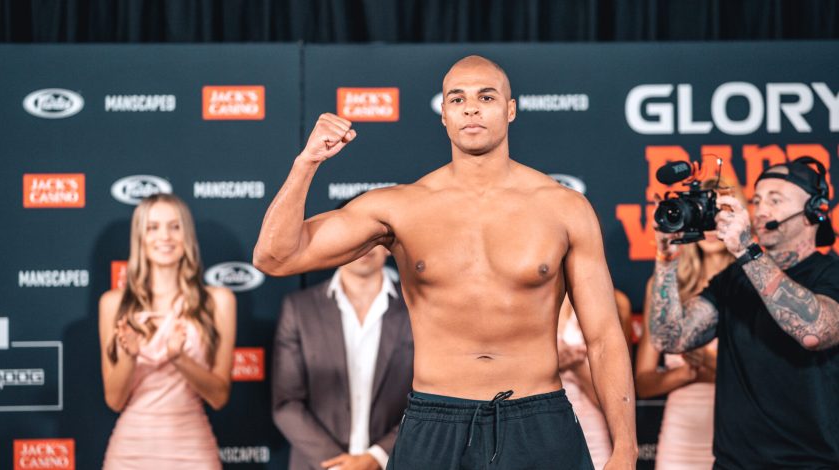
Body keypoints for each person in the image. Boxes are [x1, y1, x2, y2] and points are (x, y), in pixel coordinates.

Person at [253, 55, 636, 469]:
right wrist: (305, 163)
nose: (471, 107)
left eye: (485, 96)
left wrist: (626, 448)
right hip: (436, 421)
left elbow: (603, 337)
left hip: (538, 417)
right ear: (444, 115)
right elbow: (275, 256)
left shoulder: (565, 208)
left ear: (510, 109)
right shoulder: (402, 207)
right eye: (457, 99)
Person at [648, 157, 839, 468]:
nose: (761, 211)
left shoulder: (831, 273)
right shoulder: (735, 278)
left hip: (810, 463)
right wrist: (666, 258)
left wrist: (746, 249)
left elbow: (814, 331)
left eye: (775, 200)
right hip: (732, 463)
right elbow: (671, 338)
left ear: (813, 212)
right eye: (758, 200)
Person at [99, 194, 236, 470]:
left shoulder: (219, 300)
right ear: (140, 238)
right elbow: (114, 401)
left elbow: (219, 397)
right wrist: (129, 355)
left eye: (175, 226)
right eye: (153, 227)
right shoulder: (113, 303)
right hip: (130, 452)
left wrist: (180, 359)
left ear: (187, 235)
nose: (166, 236)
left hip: (192, 450)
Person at [272, 244, 413, 470]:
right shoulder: (299, 309)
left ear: (388, 245)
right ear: (336, 242)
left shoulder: (416, 307)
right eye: (354, 237)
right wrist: (339, 465)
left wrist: (377, 456)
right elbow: (286, 403)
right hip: (318, 464)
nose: (363, 245)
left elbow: (430, 396)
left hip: (397, 462)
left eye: (372, 237)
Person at [636, 178, 745, 469]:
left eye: (717, 211)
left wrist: (707, 366)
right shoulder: (665, 285)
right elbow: (643, 383)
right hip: (679, 440)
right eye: (701, 211)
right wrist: (688, 372)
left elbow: (768, 380)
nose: (710, 224)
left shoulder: (753, 282)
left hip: (740, 435)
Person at [557, 291, 633, 470]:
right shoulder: (526, 298)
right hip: (539, 429)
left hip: (591, 433)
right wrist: (550, 362)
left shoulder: (613, 301)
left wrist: (574, 364)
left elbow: (620, 398)